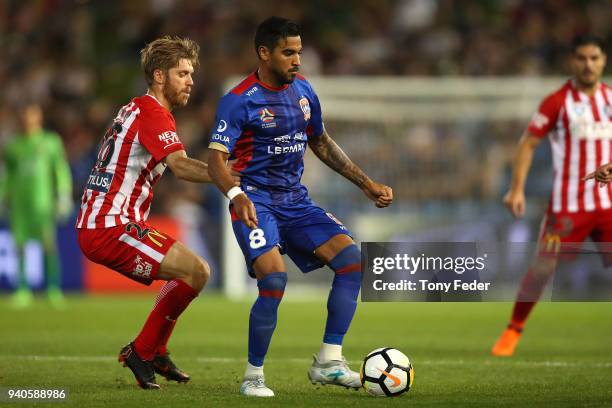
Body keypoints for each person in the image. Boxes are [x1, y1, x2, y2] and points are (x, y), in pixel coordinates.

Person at [207, 17, 393, 397]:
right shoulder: (239, 100)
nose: (297, 60)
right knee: (274, 279)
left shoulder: (304, 91)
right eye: (288, 52)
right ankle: (253, 376)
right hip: (255, 200)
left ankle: (329, 361)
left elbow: (320, 142)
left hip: (295, 200)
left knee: (352, 262)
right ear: (264, 53)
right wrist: (236, 196)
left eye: (299, 52)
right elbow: (215, 162)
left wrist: (366, 183)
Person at [76, 36, 235, 389]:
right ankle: (142, 350)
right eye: (183, 73)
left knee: (191, 274)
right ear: (159, 76)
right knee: (197, 271)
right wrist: (232, 174)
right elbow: (180, 166)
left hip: (107, 221)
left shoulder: (135, 108)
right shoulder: (152, 113)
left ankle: (155, 349)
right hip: (110, 226)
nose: (191, 80)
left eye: (191, 73)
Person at [492, 35, 609, 357]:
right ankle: (513, 329)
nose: (588, 64)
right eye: (582, 58)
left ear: (603, 61)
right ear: (573, 62)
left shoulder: (611, 99)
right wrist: (517, 189)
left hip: (608, 204)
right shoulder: (557, 102)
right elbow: (528, 143)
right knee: (543, 267)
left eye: (594, 58)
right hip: (568, 206)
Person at [0, 103, 73, 309]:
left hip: (43, 202)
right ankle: (23, 289)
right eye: (24, 115)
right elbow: (8, 175)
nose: (27, 119)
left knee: (49, 244)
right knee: (20, 246)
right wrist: (3, 196)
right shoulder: (14, 146)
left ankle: (53, 288)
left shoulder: (50, 142)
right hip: (19, 204)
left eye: (31, 115)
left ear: (39, 118)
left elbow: (60, 169)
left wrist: (64, 194)